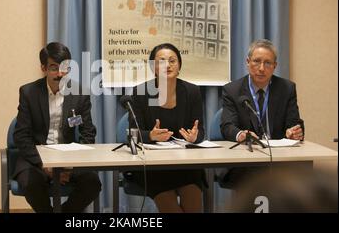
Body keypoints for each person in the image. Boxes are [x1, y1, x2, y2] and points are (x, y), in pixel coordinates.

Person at [13, 42, 101, 213]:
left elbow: (88, 133)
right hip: (37, 160)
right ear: (43, 68)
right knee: (30, 183)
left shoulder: (79, 94)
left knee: (92, 182)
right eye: (54, 68)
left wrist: (72, 167)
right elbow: (21, 136)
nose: (60, 73)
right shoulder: (29, 92)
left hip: (69, 159)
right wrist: (44, 166)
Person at [126, 43, 206, 213]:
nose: (167, 65)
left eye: (172, 61)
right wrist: (151, 136)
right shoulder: (140, 92)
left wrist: (194, 137)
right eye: (161, 61)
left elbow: (200, 132)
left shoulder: (192, 92)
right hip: (154, 167)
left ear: (179, 66)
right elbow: (133, 135)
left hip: (184, 164)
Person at [219, 39, 304, 187]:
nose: (261, 68)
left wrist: (293, 132)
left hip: (278, 158)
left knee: (298, 178)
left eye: (268, 63)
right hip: (246, 158)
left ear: (275, 66)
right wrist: (241, 135)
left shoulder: (287, 88)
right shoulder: (232, 90)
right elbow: (227, 126)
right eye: (257, 61)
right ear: (247, 62)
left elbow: (294, 123)